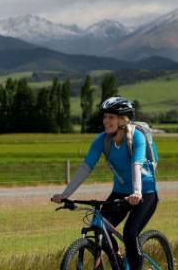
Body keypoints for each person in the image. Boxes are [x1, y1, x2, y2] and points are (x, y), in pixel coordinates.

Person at [51, 96, 158, 269]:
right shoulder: (102, 140)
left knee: (130, 233)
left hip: (145, 192)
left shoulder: (137, 138)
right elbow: (86, 168)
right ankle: (116, 261)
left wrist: (137, 192)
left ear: (123, 119)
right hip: (120, 192)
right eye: (105, 117)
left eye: (111, 117)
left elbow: (136, 165)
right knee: (98, 226)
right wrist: (65, 194)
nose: (106, 121)